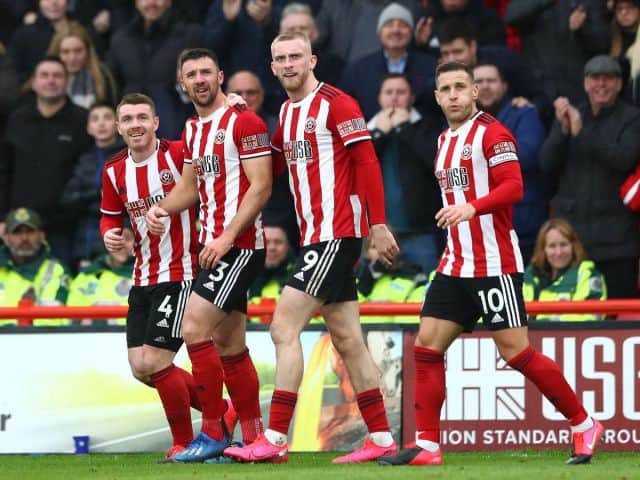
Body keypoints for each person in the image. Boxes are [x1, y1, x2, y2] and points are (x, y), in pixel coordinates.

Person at [378, 61, 603, 467]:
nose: (452, 95)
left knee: (516, 353)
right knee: (427, 345)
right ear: (436, 96)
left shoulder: (493, 133)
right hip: (454, 263)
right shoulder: (444, 140)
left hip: (494, 263)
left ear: (474, 92)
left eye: (460, 87)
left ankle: (584, 423)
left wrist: (471, 207)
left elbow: (514, 186)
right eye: (445, 88)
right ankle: (428, 446)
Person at [224, 31, 400, 465]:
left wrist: (377, 225)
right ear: (272, 67)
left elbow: (366, 162)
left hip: (336, 235)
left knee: (284, 328)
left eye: (295, 57)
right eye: (280, 58)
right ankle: (381, 436)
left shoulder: (337, 104)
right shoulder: (285, 112)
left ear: (312, 61)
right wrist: (242, 122)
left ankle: (275, 439)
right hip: (316, 237)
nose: (288, 64)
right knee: (348, 340)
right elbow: (277, 164)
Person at [146, 47, 271, 463]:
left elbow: (261, 186)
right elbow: (190, 188)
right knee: (230, 346)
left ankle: (214, 432)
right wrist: (161, 207)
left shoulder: (244, 121)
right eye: (191, 75)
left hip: (239, 245)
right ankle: (253, 438)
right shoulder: (192, 130)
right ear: (182, 84)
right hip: (214, 248)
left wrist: (225, 237)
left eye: (205, 72)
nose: (199, 80)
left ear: (220, 77)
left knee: (193, 326)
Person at [99, 92, 201, 463]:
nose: (136, 124)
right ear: (119, 127)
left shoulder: (177, 155)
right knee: (141, 368)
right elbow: (110, 216)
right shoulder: (113, 169)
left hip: (181, 271)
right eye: (128, 119)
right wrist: (109, 234)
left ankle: (184, 443)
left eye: (143, 116)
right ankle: (222, 410)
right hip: (142, 274)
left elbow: (206, 150)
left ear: (156, 122)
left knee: (156, 362)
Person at [539, 54, 640, 299]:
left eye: (608, 79)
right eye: (595, 78)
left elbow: (623, 158)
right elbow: (546, 163)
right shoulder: (573, 114)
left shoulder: (633, 118)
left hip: (617, 242)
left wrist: (580, 132)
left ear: (618, 84)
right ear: (585, 83)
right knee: (571, 317)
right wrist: (562, 132)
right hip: (572, 240)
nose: (601, 85)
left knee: (618, 312)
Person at [0, 56, 91, 267]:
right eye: (45, 75)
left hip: (64, 229)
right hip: (20, 226)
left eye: (57, 76)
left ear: (67, 81)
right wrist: (2, 217)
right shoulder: (17, 119)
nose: (51, 81)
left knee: (60, 293)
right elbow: (4, 171)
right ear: (34, 82)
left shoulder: (81, 120)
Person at [367, 73, 443, 275]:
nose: (394, 97)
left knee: (425, 298)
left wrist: (404, 128)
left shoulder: (428, 126)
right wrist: (378, 134)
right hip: (378, 237)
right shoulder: (367, 130)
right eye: (388, 92)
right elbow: (355, 169)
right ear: (379, 97)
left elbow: (437, 164)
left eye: (401, 92)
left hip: (421, 235)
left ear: (411, 97)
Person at [473, 62, 547, 262]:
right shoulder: (462, 120)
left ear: (504, 86)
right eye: (479, 81)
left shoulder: (524, 113)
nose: (485, 86)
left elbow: (528, 154)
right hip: (478, 229)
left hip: (520, 225)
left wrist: (478, 158)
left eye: (491, 80)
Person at [339, 3, 437, 120]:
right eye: (389, 25)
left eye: (403, 25)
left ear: (411, 32)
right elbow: (342, 107)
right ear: (380, 33)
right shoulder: (358, 69)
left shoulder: (430, 66)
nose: (396, 30)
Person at [61, 102, 125, 266]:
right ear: (89, 128)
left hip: (118, 239)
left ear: (118, 125)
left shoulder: (128, 157)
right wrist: (97, 195)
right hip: (85, 241)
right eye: (95, 119)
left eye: (107, 118)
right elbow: (68, 198)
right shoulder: (83, 159)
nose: (102, 123)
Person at [524, 218, 607, 322]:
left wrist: (544, 324)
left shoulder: (587, 274)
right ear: (543, 249)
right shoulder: (529, 277)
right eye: (552, 246)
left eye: (563, 245)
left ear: (574, 246)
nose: (558, 252)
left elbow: (592, 317)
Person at [0, 207, 70, 327]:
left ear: (42, 236)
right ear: (6, 237)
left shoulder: (57, 270)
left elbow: (59, 321)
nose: (24, 238)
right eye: (17, 232)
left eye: (30, 231)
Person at [66, 227, 135, 325]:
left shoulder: (145, 276)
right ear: (106, 241)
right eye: (116, 238)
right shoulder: (86, 275)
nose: (121, 244)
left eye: (127, 239)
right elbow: (71, 315)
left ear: (136, 243)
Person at [46, 21, 118, 109]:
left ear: (87, 51)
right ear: (56, 53)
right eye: (66, 52)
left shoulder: (103, 76)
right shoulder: (44, 79)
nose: (72, 58)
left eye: (78, 51)